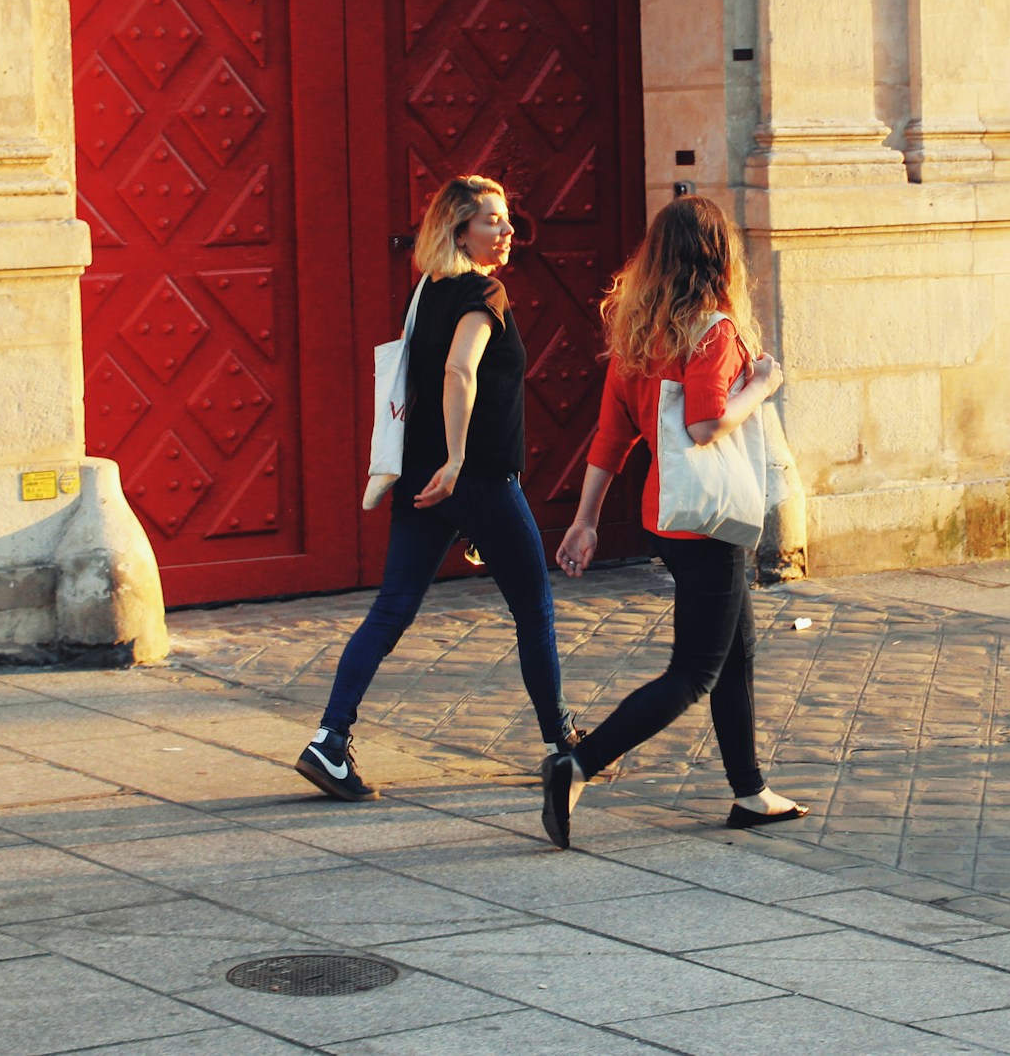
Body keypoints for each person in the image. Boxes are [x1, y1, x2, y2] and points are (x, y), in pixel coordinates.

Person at [296, 175, 576, 801]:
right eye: (491, 222)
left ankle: (329, 739)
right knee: (534, 610)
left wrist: (441, 469)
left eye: (505, 220)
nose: (506, 232)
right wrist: (456, 460)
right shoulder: (483, 292)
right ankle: (562, 745)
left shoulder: (425, 291)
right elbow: (458, 370)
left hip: (426, 477)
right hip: (473, 475)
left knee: (392, 609)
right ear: (460, 231)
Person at [541, 194, 805, 849]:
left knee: (734, 650)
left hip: (669, 514)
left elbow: (610, 436)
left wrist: (586, 520)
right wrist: (763, 385)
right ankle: (577, 764)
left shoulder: (638, 332)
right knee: (694, 670)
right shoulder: (712, 330)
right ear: (718, 258)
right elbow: (708, 422)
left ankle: (750, 790)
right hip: (709, 517)